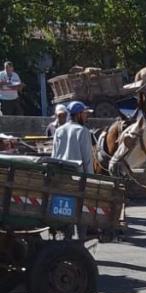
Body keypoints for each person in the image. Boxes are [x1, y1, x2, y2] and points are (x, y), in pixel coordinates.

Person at [51, 101, 94, 240]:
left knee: (66, 211)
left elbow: (54, 156)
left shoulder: (59, 130)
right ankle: (80, 243)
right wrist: (91, 180)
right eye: (85, 114)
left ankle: (67, 241)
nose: (86, 117)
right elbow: (87, 158)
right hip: (78, 178)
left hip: (62, 177)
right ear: (79, 114)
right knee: (81, 212)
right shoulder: (83, 131)